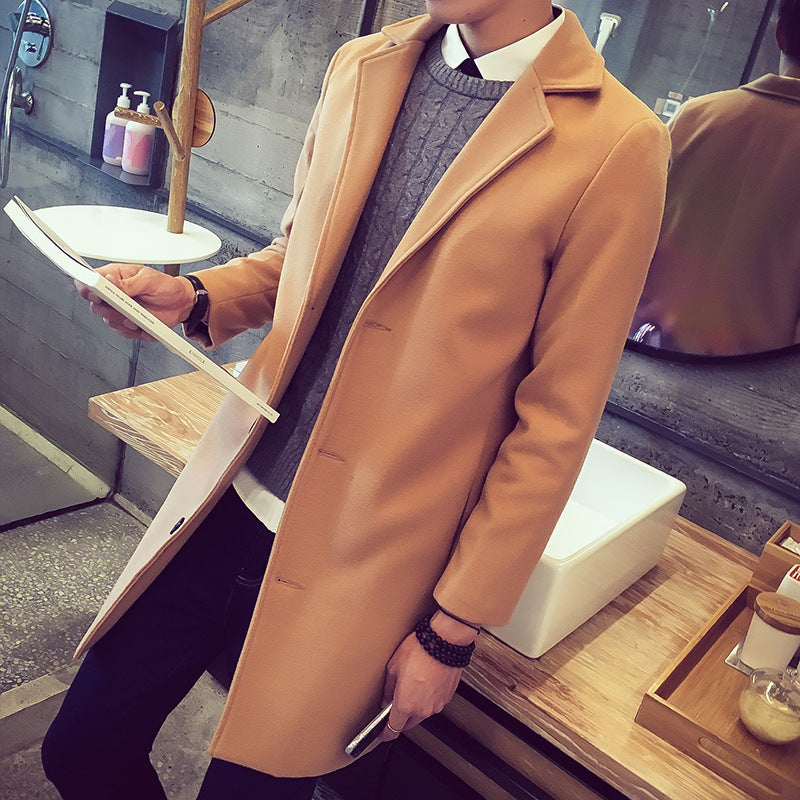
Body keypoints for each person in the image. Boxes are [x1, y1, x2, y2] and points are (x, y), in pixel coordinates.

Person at [41, 1, 670, 798]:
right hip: (230, 495)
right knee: (81, 749)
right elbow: (298, 257)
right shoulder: (364, 64)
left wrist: (451, 632)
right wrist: (196, 296)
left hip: (363, 561)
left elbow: (556, 422)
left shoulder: (618, 144)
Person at [629, 0, 800, 356]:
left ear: (780, 33)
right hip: (754, 380)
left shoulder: (696, 117)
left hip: (646, 351)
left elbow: (631, 236)